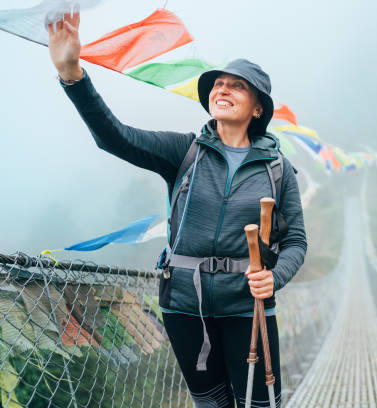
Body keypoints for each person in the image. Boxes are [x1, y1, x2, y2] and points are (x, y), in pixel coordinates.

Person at [48, 12, 307, 408]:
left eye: (238, 86)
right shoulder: (185, 151)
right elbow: (114, 137)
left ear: (258, 108)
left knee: (261, 404)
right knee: (211, 403)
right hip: (184, 306)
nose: (223, 88)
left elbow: (296, 242)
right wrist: (72, 74)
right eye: (219, 83)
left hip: (248, 306)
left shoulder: (279, 169)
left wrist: (276, 277)